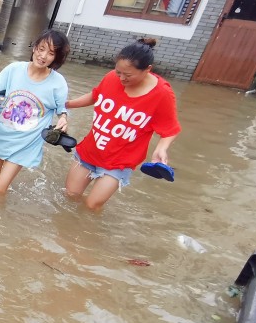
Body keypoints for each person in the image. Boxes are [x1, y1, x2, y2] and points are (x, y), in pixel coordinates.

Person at [64, 38, 181, 211]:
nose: (121, 78)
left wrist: (161, 148)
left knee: (92, 206)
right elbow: (95, 96)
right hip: (90, 151)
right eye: (118, 72)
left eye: (128, 75)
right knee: (70, 197)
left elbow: (170, 129)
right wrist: (67, 104)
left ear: (148, 70)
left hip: (119, 161)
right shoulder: (111, 77)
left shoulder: (162, 94)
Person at [0, 29, 71, 193]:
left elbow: (62, 110)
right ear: (34, 48)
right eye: (41, 49)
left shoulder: (58, 83)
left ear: (56, 58)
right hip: (0, 134)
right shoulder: (14, 69)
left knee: (0, 189)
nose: (43, 56)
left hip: (25, 142)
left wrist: (63, 119)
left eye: (51, 53)